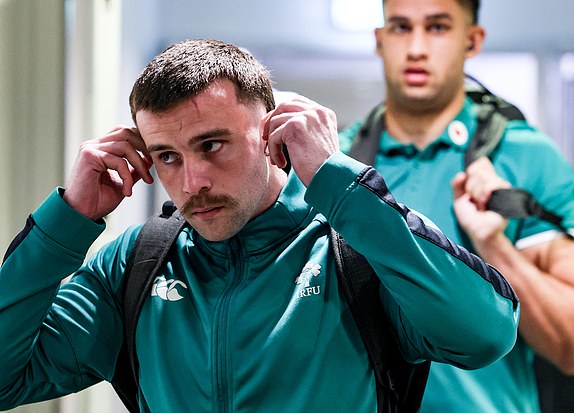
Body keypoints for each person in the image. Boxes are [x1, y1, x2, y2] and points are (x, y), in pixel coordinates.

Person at [0, 38, 518, 413]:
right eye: (167, 156)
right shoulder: (135, 264)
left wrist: (339, 182)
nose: (192, 181)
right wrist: (65, 222)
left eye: (212, 145)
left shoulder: (353, 248)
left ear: (272, 131)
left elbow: (485, 334)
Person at [340, 1, 574, 412]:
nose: (416, 48)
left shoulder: (527, 158)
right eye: (400, 27)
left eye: (437, 27)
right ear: (379, 40)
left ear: (472, 40)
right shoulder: (336, 166)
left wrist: (496, 247)